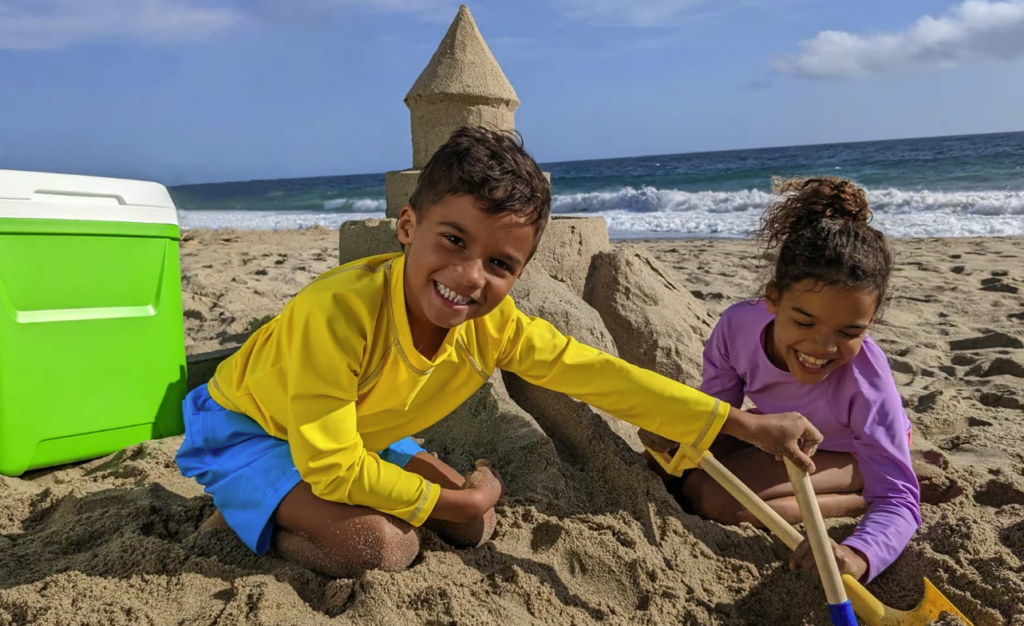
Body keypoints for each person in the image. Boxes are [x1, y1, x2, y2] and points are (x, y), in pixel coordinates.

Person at [176, 126, 823, 578]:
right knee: (381, 547)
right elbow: (330, 465)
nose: (468, 275)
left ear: (520, 271)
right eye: (452, 240)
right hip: (253, 431)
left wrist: (744, 425)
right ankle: (242, 511)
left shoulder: (496, 325)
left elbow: (602, 377)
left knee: (472, 529)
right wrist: (447, 500)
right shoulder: (340, 315)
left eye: (499, 263)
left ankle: (320, 503)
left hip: (354, 438)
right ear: (408, 227)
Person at [641, 176, 920, 584]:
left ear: (870, 323)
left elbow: (897, 498)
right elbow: (718, 410)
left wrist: (859, 554)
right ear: (774, 299)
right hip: (781, 431)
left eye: (849, 332)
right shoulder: (737, 326)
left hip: (854, 451)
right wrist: (677, 433)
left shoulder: (865, 378)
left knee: (714, 500)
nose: (823, 346)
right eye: (804, 321)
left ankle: (860, 493)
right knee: (662, 467)